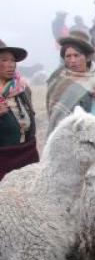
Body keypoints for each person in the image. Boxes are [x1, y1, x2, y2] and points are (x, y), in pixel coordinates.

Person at [46, 30, 95, 137]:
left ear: (87, 57)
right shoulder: (59, 81)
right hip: (78, 138)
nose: (72, 60)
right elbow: (57, 116)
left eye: (77, 55)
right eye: (68, 56)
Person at [0, 40, 38, 181]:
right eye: (4, 60)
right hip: (3, 159)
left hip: (27, 154)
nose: (10, 65)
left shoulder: (22, 88)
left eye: (13, 60)